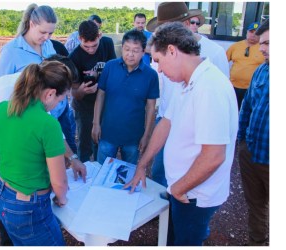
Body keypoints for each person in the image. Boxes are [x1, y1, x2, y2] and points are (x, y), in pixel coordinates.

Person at [0, 55, 86, 246]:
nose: (60, 105)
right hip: (28, 208)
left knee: (12, 235)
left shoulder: (2, 108)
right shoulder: (48, 124)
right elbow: (59, 182)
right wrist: (61, 200)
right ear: (50, 94)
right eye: (62, 99)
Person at [124, 22, 238, 246]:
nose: (158, 69)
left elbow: (214, 156)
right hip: (183, 188)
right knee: (172, 237)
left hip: (194, 194)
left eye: (158, 60)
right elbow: (166, 123)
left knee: (186, 241)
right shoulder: (186, 82)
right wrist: (142, 165)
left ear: (173, 51)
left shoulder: (209, 88)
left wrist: (178, 188)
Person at [147, 2, 230, 188]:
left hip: (195, 131)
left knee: (187, 179)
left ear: (184, 24)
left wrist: (180, 189)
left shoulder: (215, 54)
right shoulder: (163, 49)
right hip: (167, 117)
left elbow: (217, 107)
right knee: (161, 172)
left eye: (165, 29)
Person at [0, 3, 78, 154]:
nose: (47, 37)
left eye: (50, 34)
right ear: (31, 24)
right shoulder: (11, 51)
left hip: (59, 113)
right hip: (33, 117)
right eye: (43, 32)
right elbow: (3, 90)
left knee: (68, 155)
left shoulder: (48, 46)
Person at [92, 30, 159, 164]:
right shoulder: (110, 66)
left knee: (128, 175)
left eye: (135, 50)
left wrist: (146, 135)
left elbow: (151, 107)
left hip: (133, 137)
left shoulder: (151, 75)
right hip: (107, 133)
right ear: (122, 48)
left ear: (143, 51)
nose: (130, 54)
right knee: (101, 172)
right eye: (127, 49)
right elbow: (100, 95)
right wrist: (95, 124)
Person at [237, 19, 269, 246]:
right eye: (262, 42)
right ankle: (257, 241)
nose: (262, 48)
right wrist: (242, 143)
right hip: (252, 154)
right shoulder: (262, 71)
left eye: (268, 43)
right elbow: (247, 107)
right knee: (256, 205)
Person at [69, 20, 116, 162]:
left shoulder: (107, 43)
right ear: (79, 39)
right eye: (86, 46)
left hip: (105, 104)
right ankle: (83, 175)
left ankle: (99, 175)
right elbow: (75, 93)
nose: (91, 50)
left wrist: (99, 80)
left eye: (94, 45)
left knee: (102, 143)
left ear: (100, 36)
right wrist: (83, 90)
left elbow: (114, 69)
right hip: (85, 108)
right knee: (85, 146)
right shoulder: (74, 57)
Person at [226, 21, 265, 110]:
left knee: (247, 112)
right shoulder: (235, 46)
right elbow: (223, 61)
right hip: (233, 87)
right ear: (247, 32)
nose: (253, 35)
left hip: (252, 89)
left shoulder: (263, 49)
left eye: (257, 33)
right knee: (231, 110)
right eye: (251, 32)